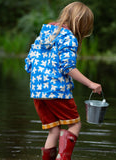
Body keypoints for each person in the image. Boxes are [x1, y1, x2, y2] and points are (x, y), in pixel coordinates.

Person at [25, 1, 102, 160]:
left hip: (37, 92)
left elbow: (29, 63)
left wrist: (41, 79)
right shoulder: (68, 37)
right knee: (75, 124)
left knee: (54, 130)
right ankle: (63, 158)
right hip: (57, 91)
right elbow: (68, 68)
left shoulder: (44, 34)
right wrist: (91, 84)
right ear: (81, 24)